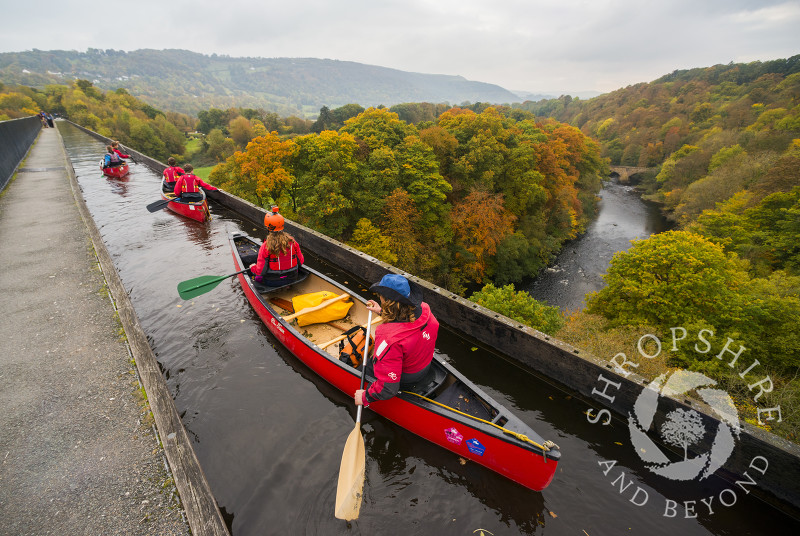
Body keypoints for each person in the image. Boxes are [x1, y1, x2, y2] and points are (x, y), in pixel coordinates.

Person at [354, 274, 439, 406]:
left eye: (381, 296)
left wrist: (365, 397)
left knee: (364, 367)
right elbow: (407, 323)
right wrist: (382, 311)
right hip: (424, 365)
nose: (379, 297)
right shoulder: (426, 310)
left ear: (388, 302)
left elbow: (389, 389)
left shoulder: (389, 339)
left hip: (407, 378)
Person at [248, 206, 305, 286]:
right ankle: (287, 287)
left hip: (272, 281)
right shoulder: (293, 242)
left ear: (268, 227)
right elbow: (301, 262)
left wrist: (252, 267)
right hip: (292, 278)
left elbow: (260, 271)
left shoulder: (265, 246)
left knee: (257, 277)